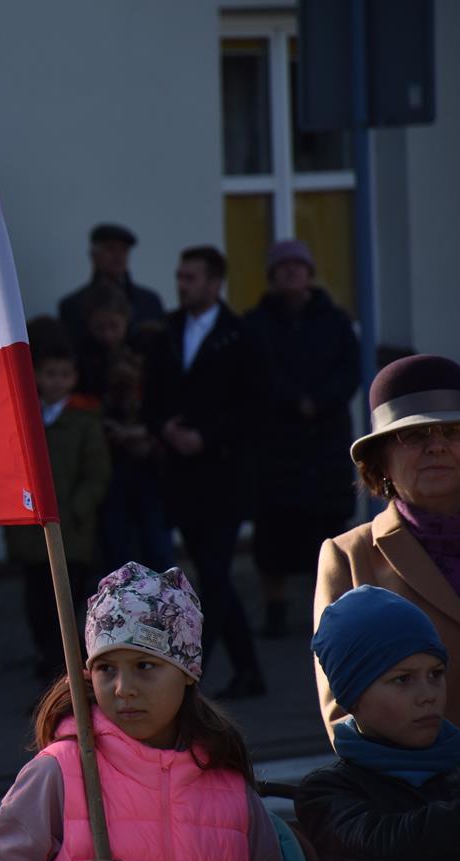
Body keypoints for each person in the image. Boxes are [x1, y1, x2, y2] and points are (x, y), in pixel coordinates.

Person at [0, 562, 281, 861]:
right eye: (106, 668)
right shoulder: (60, 771)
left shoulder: (227, 780)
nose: (122, 688)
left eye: (144, 665)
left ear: (188, 671)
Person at [314, 353, 460, 739]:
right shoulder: (350, 556)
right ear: (380, 462)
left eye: (452, 431)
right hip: (416, 792)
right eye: (414, 435)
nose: (437, 447)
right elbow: (342, 712)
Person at [145, 246, 265, 700]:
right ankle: (250, 670)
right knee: (213, 574)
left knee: (212, 575)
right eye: (180, 276)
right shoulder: (169, 332)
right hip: (182, 476)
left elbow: (255, 405)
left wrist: (207, 438)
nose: (182, 284)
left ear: (215, 282)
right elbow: (152, 396)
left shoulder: (242, 335)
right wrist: (166, 428)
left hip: (224, 475)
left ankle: (192, 673)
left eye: (191, 277)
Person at [245, 239, 359, 638]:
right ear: (272, 276)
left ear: (309, 274)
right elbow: (254, 377)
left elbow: (350, 371)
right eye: (283, 267)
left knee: (326, 533)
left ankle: (330, 609)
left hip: (323, 448)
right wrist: (293, 401)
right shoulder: (256, 324)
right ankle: (276, 609)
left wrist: (319, 401)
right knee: (273, 538)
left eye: (299, 266)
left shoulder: (335, 321)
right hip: (276, 449)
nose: (292, 273)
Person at [298, 585, 460, 861]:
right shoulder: (326, 792)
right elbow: (383, 844)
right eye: (403, 679)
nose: (427, 695)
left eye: (436, 674)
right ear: (353, 697)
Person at [5, 318, 110, 680]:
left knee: (67, 609)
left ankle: (69, 679)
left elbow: (97, 473)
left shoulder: (84, 422)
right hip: (33, 535)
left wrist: (77, 509)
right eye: (50, 374)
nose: (56, 381)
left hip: (72, 534)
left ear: (74, 378)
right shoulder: (27, 417)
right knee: (38, 608)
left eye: (64, 374)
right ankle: (54, 675)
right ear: (37, 376)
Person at [76, 282, 174, 573]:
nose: (107, 335)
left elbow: (163, 401)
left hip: (148, 461)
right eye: (100, 328)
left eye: (113, 326)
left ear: (126, 319)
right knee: (116, 545)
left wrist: (144, 431)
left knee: (157, 542)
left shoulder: (149, 349)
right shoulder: (85, 358)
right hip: (107, 462)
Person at [57, 222, 164, 352]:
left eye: (124, 250)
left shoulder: (149, 301)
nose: (118, 256)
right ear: (94, 254)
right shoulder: (72, 305)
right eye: (111, 249)